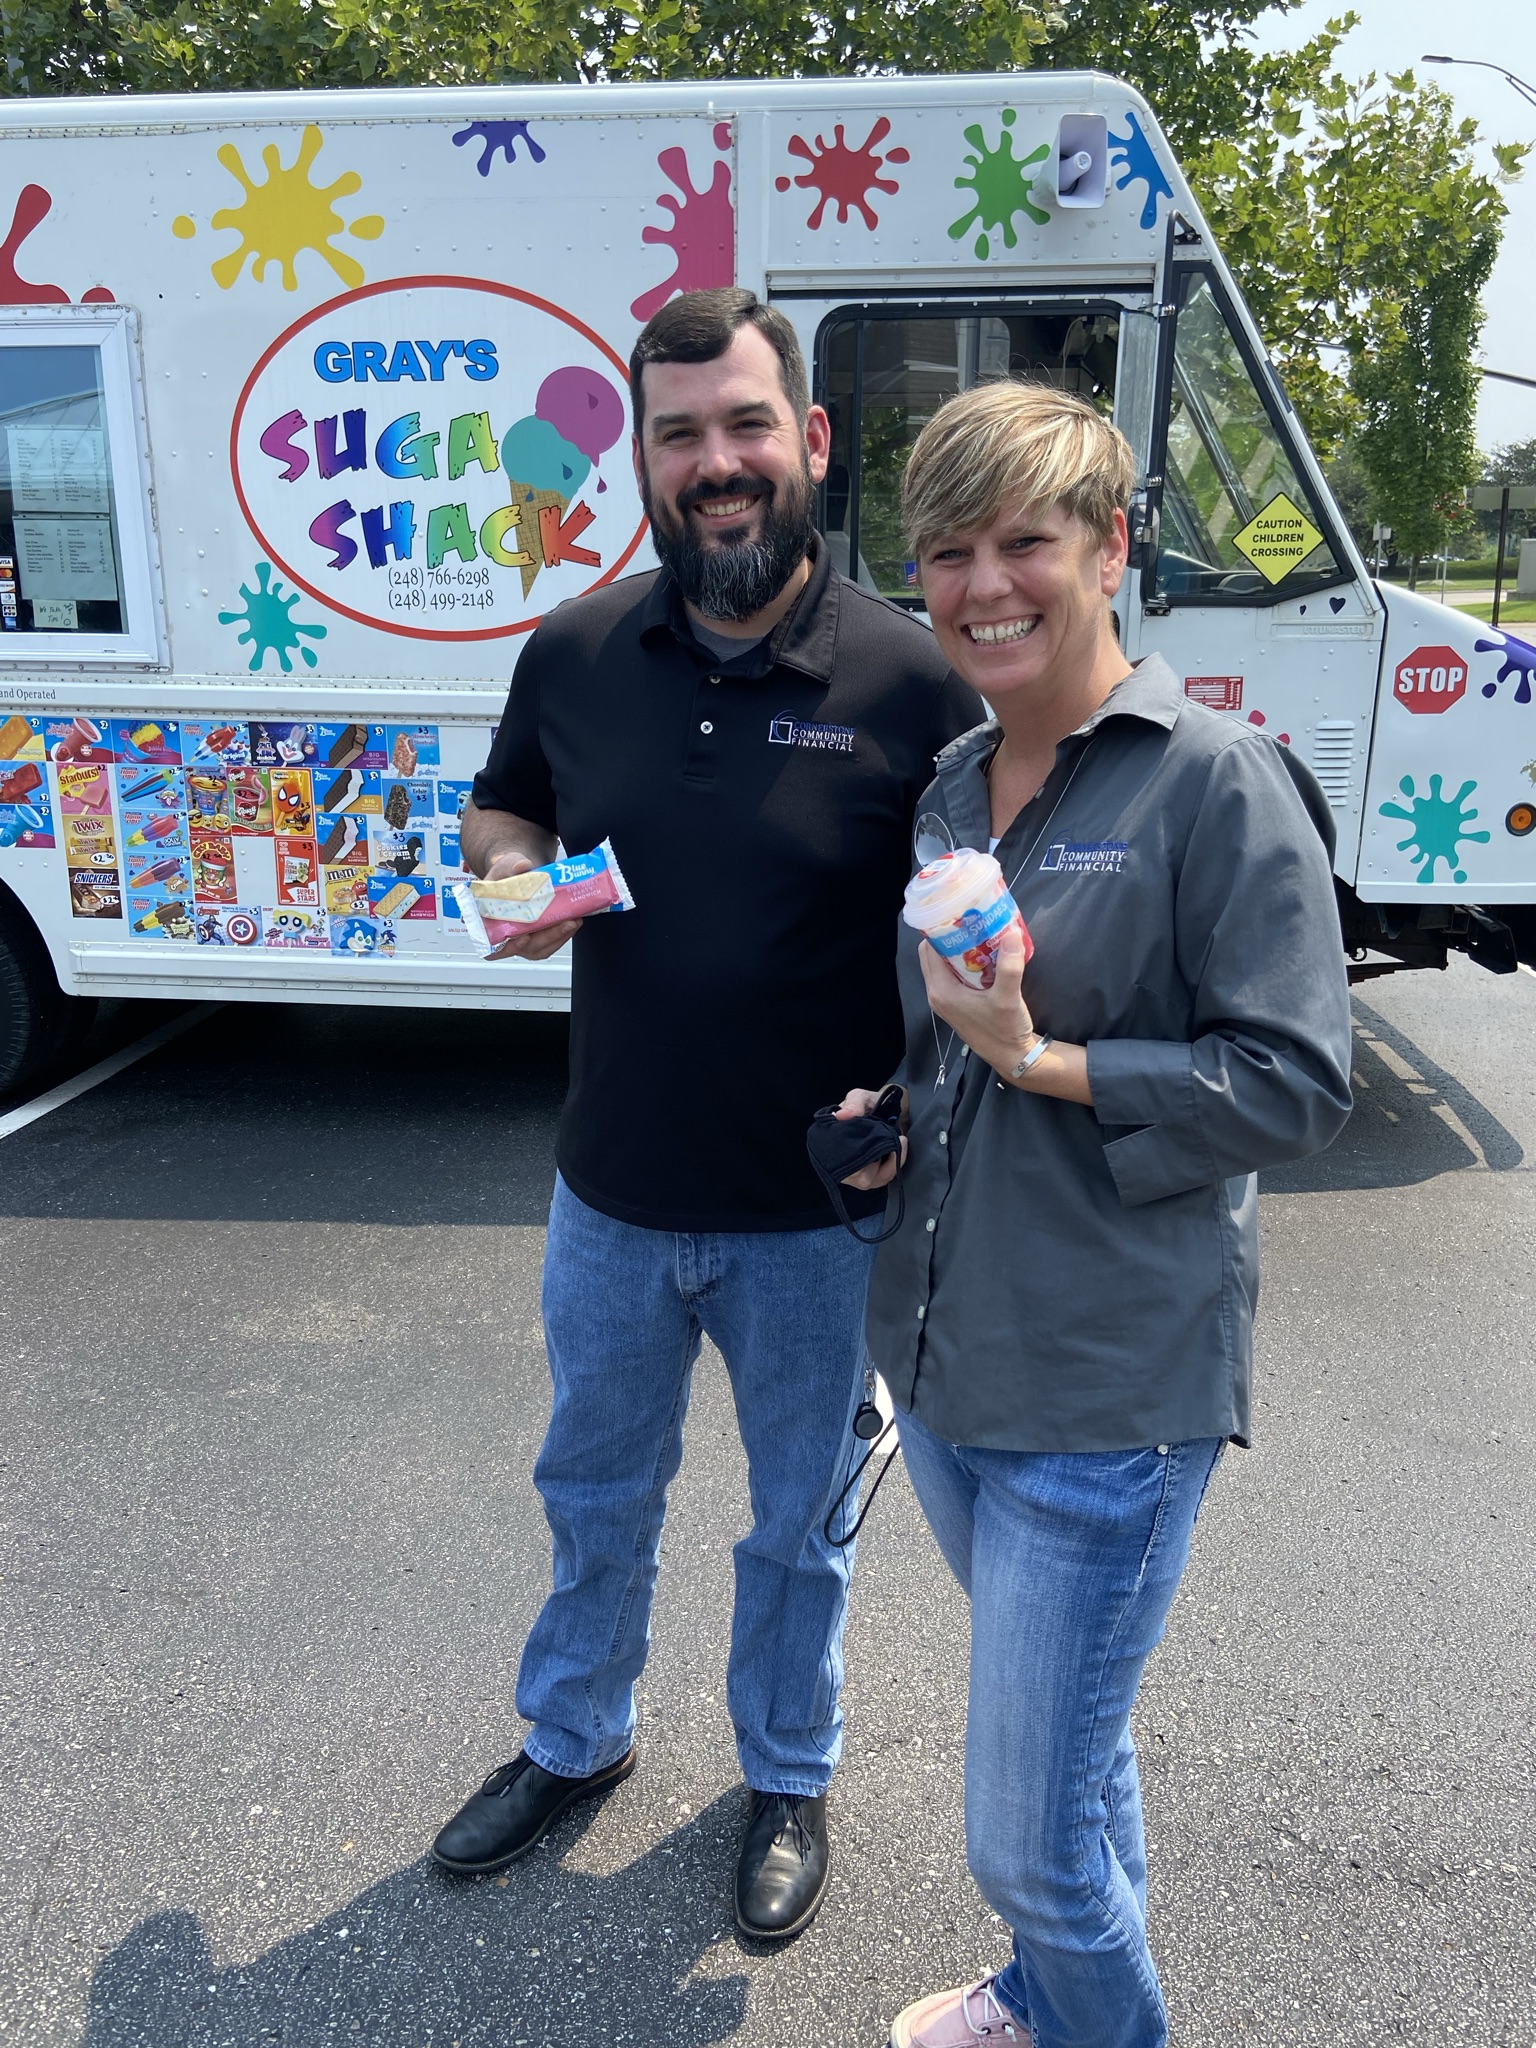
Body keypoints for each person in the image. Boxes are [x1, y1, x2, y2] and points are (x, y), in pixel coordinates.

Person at [432, 288, 980, 1940]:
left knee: (796, 1527)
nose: (716, 463)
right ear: (645, 462)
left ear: (808, 441)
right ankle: (573, 1741)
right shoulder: (578, 650)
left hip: (817, 1215)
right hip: (609, 1192)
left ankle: (787, 1772)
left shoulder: (912, 680)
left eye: (746, 426)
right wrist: (508, 880)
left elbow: (984, 913)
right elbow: (502, 806)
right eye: (680, 435)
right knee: (591, 1492)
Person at [835, 382, 1352, 2046]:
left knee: (1027, 1836)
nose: (982, 586)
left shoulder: (1219, 784)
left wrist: (1044, 1057)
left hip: (1109, 1394)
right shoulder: (954, 784)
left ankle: (1084, 2003)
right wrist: (882, 1120)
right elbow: (945, 1055)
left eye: (1024, 543)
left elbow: (1291, 1087)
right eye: (948, 553)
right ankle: (1053, 2003)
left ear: (1113, 547)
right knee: (1079, 1751)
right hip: (947, 1363)